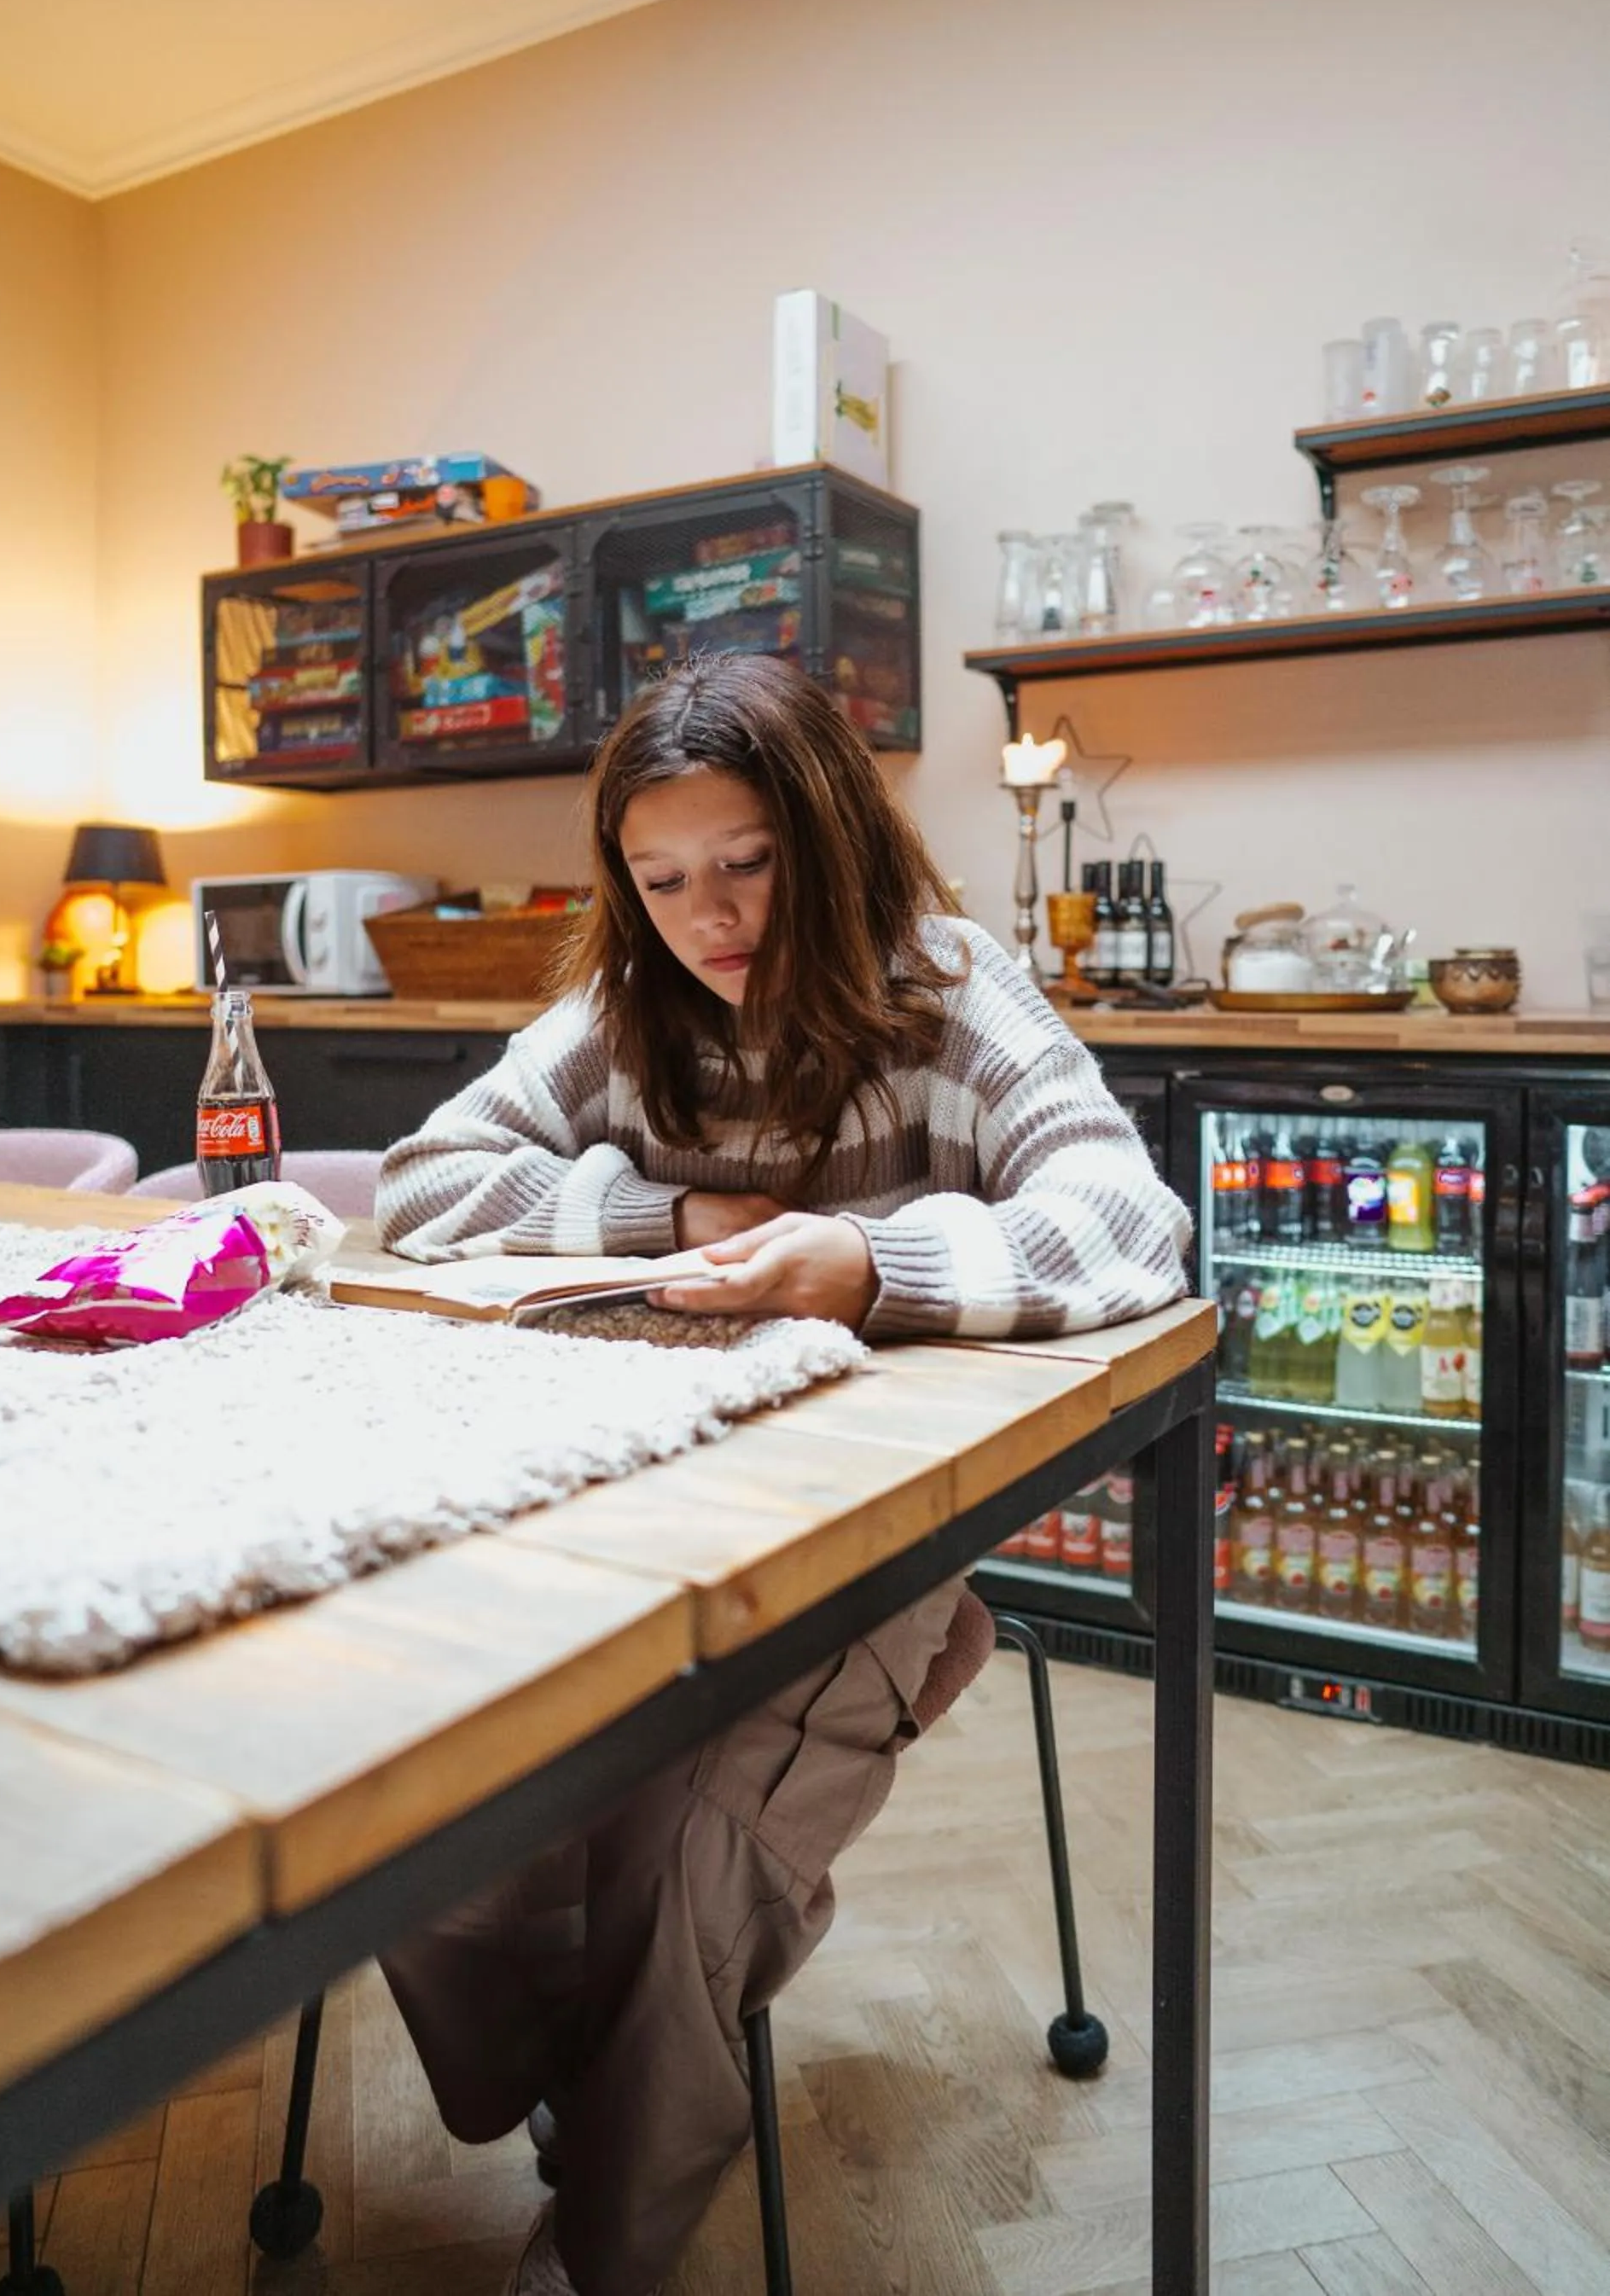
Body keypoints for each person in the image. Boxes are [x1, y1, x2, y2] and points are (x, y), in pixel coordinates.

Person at [374, 654, 1190, 2296]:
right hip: (628, 1510)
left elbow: (1131, 1223)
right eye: (660, 879)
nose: (708, 918)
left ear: (825, 836)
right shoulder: (621, 1011)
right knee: (424, 1790)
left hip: (871, 1537)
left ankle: (605, 2219)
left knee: (690, 1855)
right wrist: (671, 1218)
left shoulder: (948, 990)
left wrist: (866, 1263)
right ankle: (598, 2084)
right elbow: (424, 1180)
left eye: (746, 863)